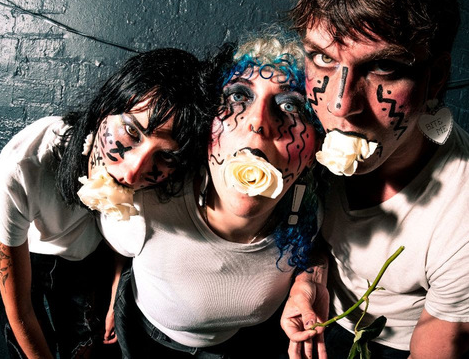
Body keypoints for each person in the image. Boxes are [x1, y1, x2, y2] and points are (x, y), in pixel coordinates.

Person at [280, 0, 469, 359]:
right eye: (323, 58)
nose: (341, 105)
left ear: (436, 77)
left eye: (385, 67)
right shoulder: (306, 128)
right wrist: (309, 280)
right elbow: (320, 230)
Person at [96, 30, 323, 358]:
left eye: (290, 105)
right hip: (147, 338)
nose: (258, 122)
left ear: (315, 148)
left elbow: (315, 250)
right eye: (238, 96)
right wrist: (117, 285)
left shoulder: (307, 214)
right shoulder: (144, 206)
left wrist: (308, 282)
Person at [0, 48, 212, 359]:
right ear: (105, 107)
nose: (133, 172)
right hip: (27, 251)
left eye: (165, 155)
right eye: (132, 131)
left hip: (88, 257)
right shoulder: (24, 165)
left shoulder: (158, 179)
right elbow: (20, 311)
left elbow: (123, 233)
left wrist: (115, 291)